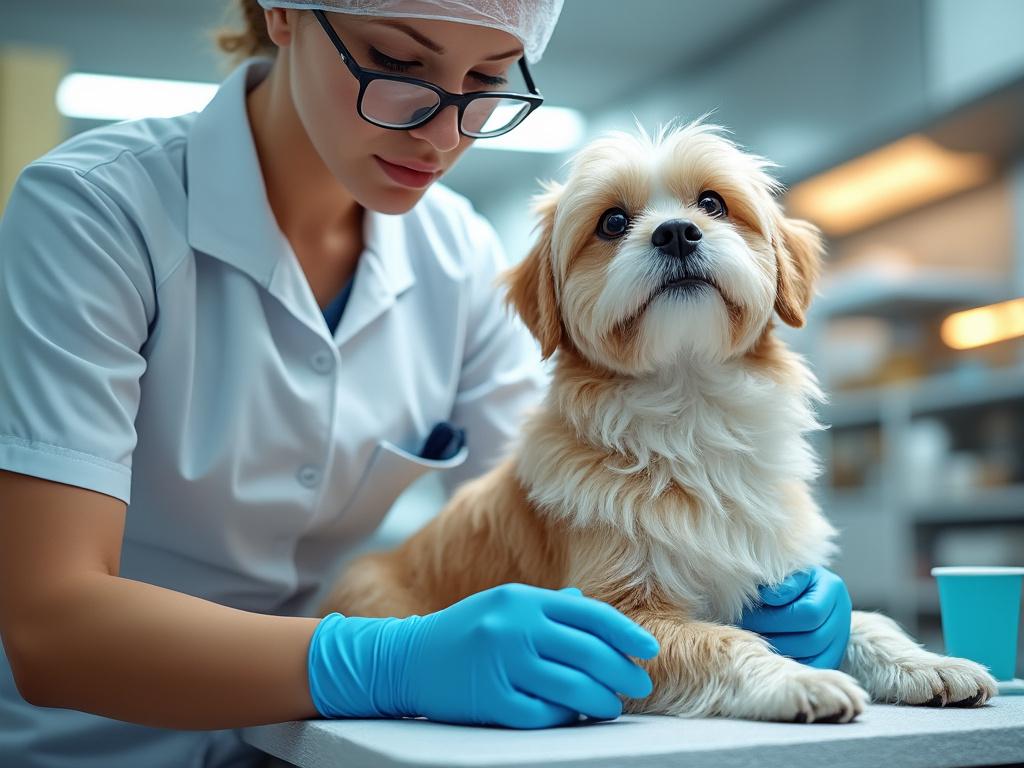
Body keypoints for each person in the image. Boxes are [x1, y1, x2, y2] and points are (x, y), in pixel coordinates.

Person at [0, 1, 852, 765]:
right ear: (283, 13)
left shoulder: (457, 254)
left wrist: (737, 579)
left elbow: (559, 499)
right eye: (396, 64)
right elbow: (50, 629)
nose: (443, 131)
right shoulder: (94, 214)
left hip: (325, 748)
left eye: (485, 80)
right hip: (99, 745)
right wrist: (386, 659)